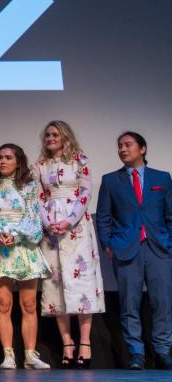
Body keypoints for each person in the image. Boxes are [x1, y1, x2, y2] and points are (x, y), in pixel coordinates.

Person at [31, 121, 104, 369]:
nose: (50, 138)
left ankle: (85, 342)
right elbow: (37, 198)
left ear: (65, 136)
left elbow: (85, 193)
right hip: (51, 229)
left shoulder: (80, 161)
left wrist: (69, 220)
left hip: (77, 227)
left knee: (82, 281)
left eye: (55, 134)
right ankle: (67, 342)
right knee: (56, 284)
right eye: (47, 135)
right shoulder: (39, 167)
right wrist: (48, 222)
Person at [96, 131, 172, 370]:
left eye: (128, 145)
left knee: (163, 302)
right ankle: (136, 353)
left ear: (143, 149)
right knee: (130, 304)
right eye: (119, 146)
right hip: (126, 248)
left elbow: (170, 214)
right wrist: (108, 244)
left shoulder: (162, 177)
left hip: (159, 248)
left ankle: (162, 350)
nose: (122, 149)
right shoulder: (110, 180)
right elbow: (104, 217)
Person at [0, 143, 50, 370]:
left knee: (29, 304)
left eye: (8, 157)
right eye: (0, 157)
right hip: (0, 251)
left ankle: (30, 354)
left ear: (18, 162)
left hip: (24, 250)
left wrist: (16, 235)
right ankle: (8, 355)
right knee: (3, 304)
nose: (3, 161)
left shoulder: (29, 188)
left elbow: (36, 223)